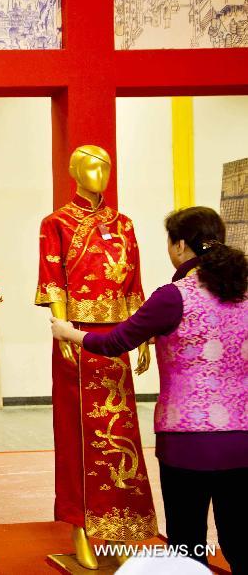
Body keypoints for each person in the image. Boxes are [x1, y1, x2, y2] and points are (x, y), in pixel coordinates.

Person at [51, 206, 247, 572]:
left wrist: (69, 333)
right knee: (239, 535)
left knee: (188, 543)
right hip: (243, 441)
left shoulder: (174, 297)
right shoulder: (244, 293)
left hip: (187, 441)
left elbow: (116, 341)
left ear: (180, 246)